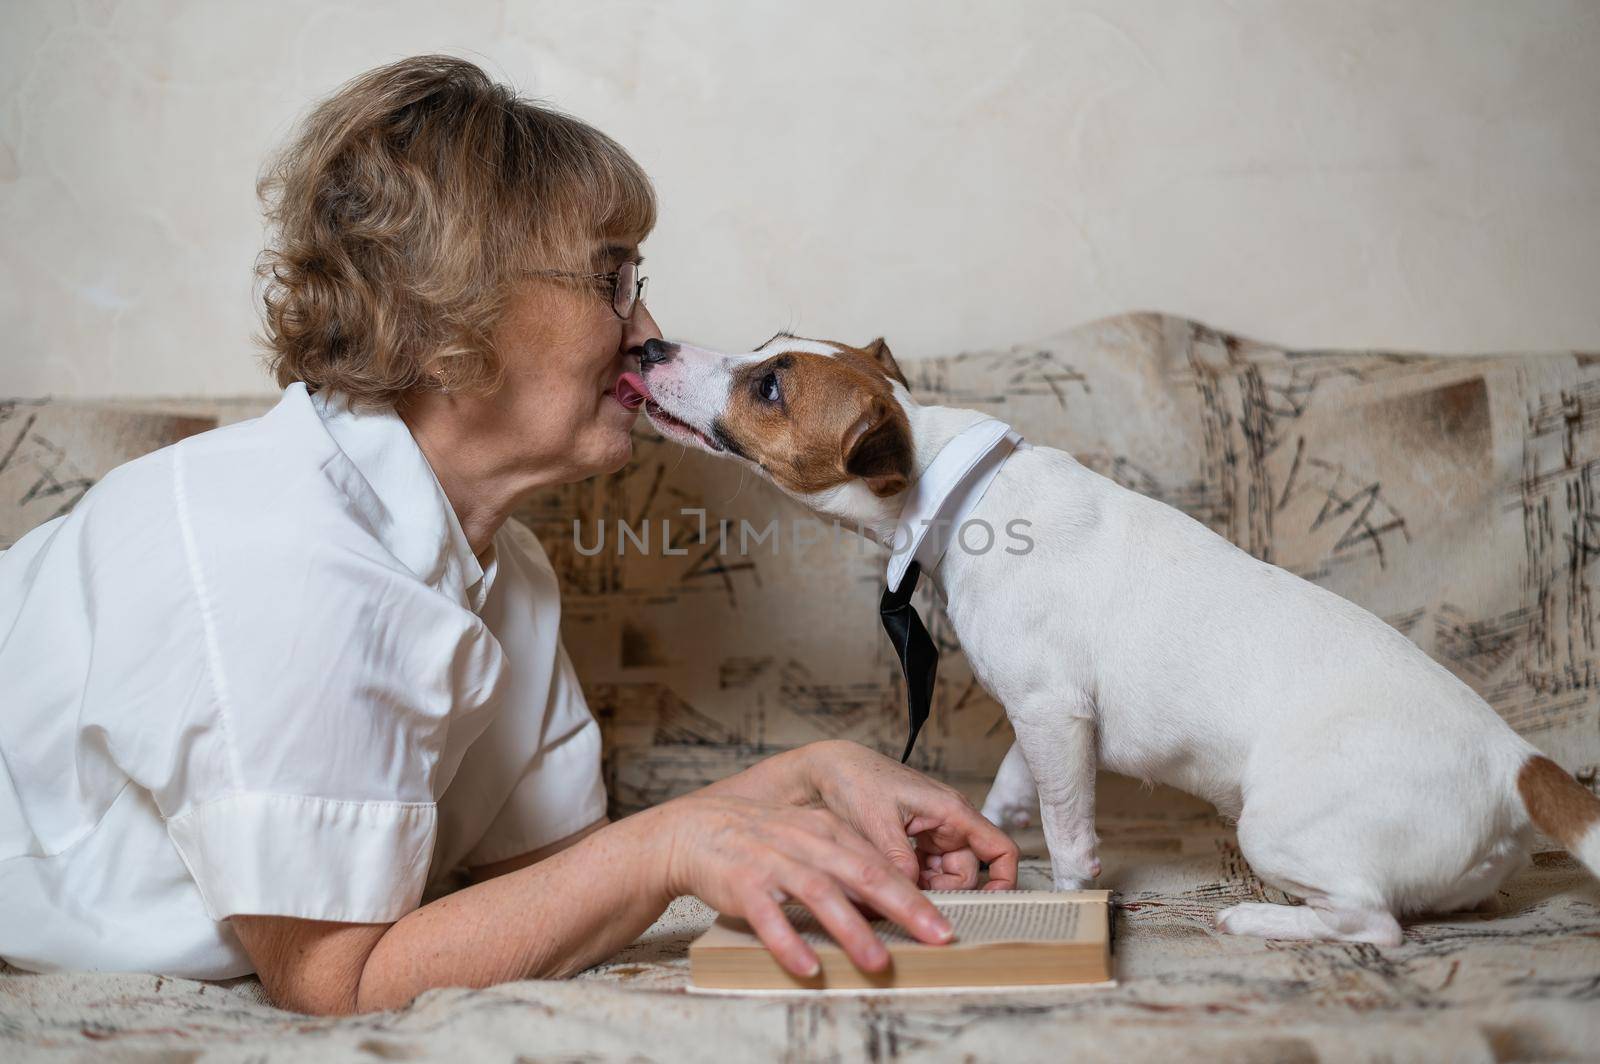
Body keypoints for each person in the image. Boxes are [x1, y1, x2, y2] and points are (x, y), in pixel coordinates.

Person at [0, 55, 1017, 1015]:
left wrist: (802, 779)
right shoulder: (277, 561)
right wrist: (676, 841)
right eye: (611, 279)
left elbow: (545, 880)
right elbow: (333, 979)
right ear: (451, 308)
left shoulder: (501, 565)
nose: (648, 325)